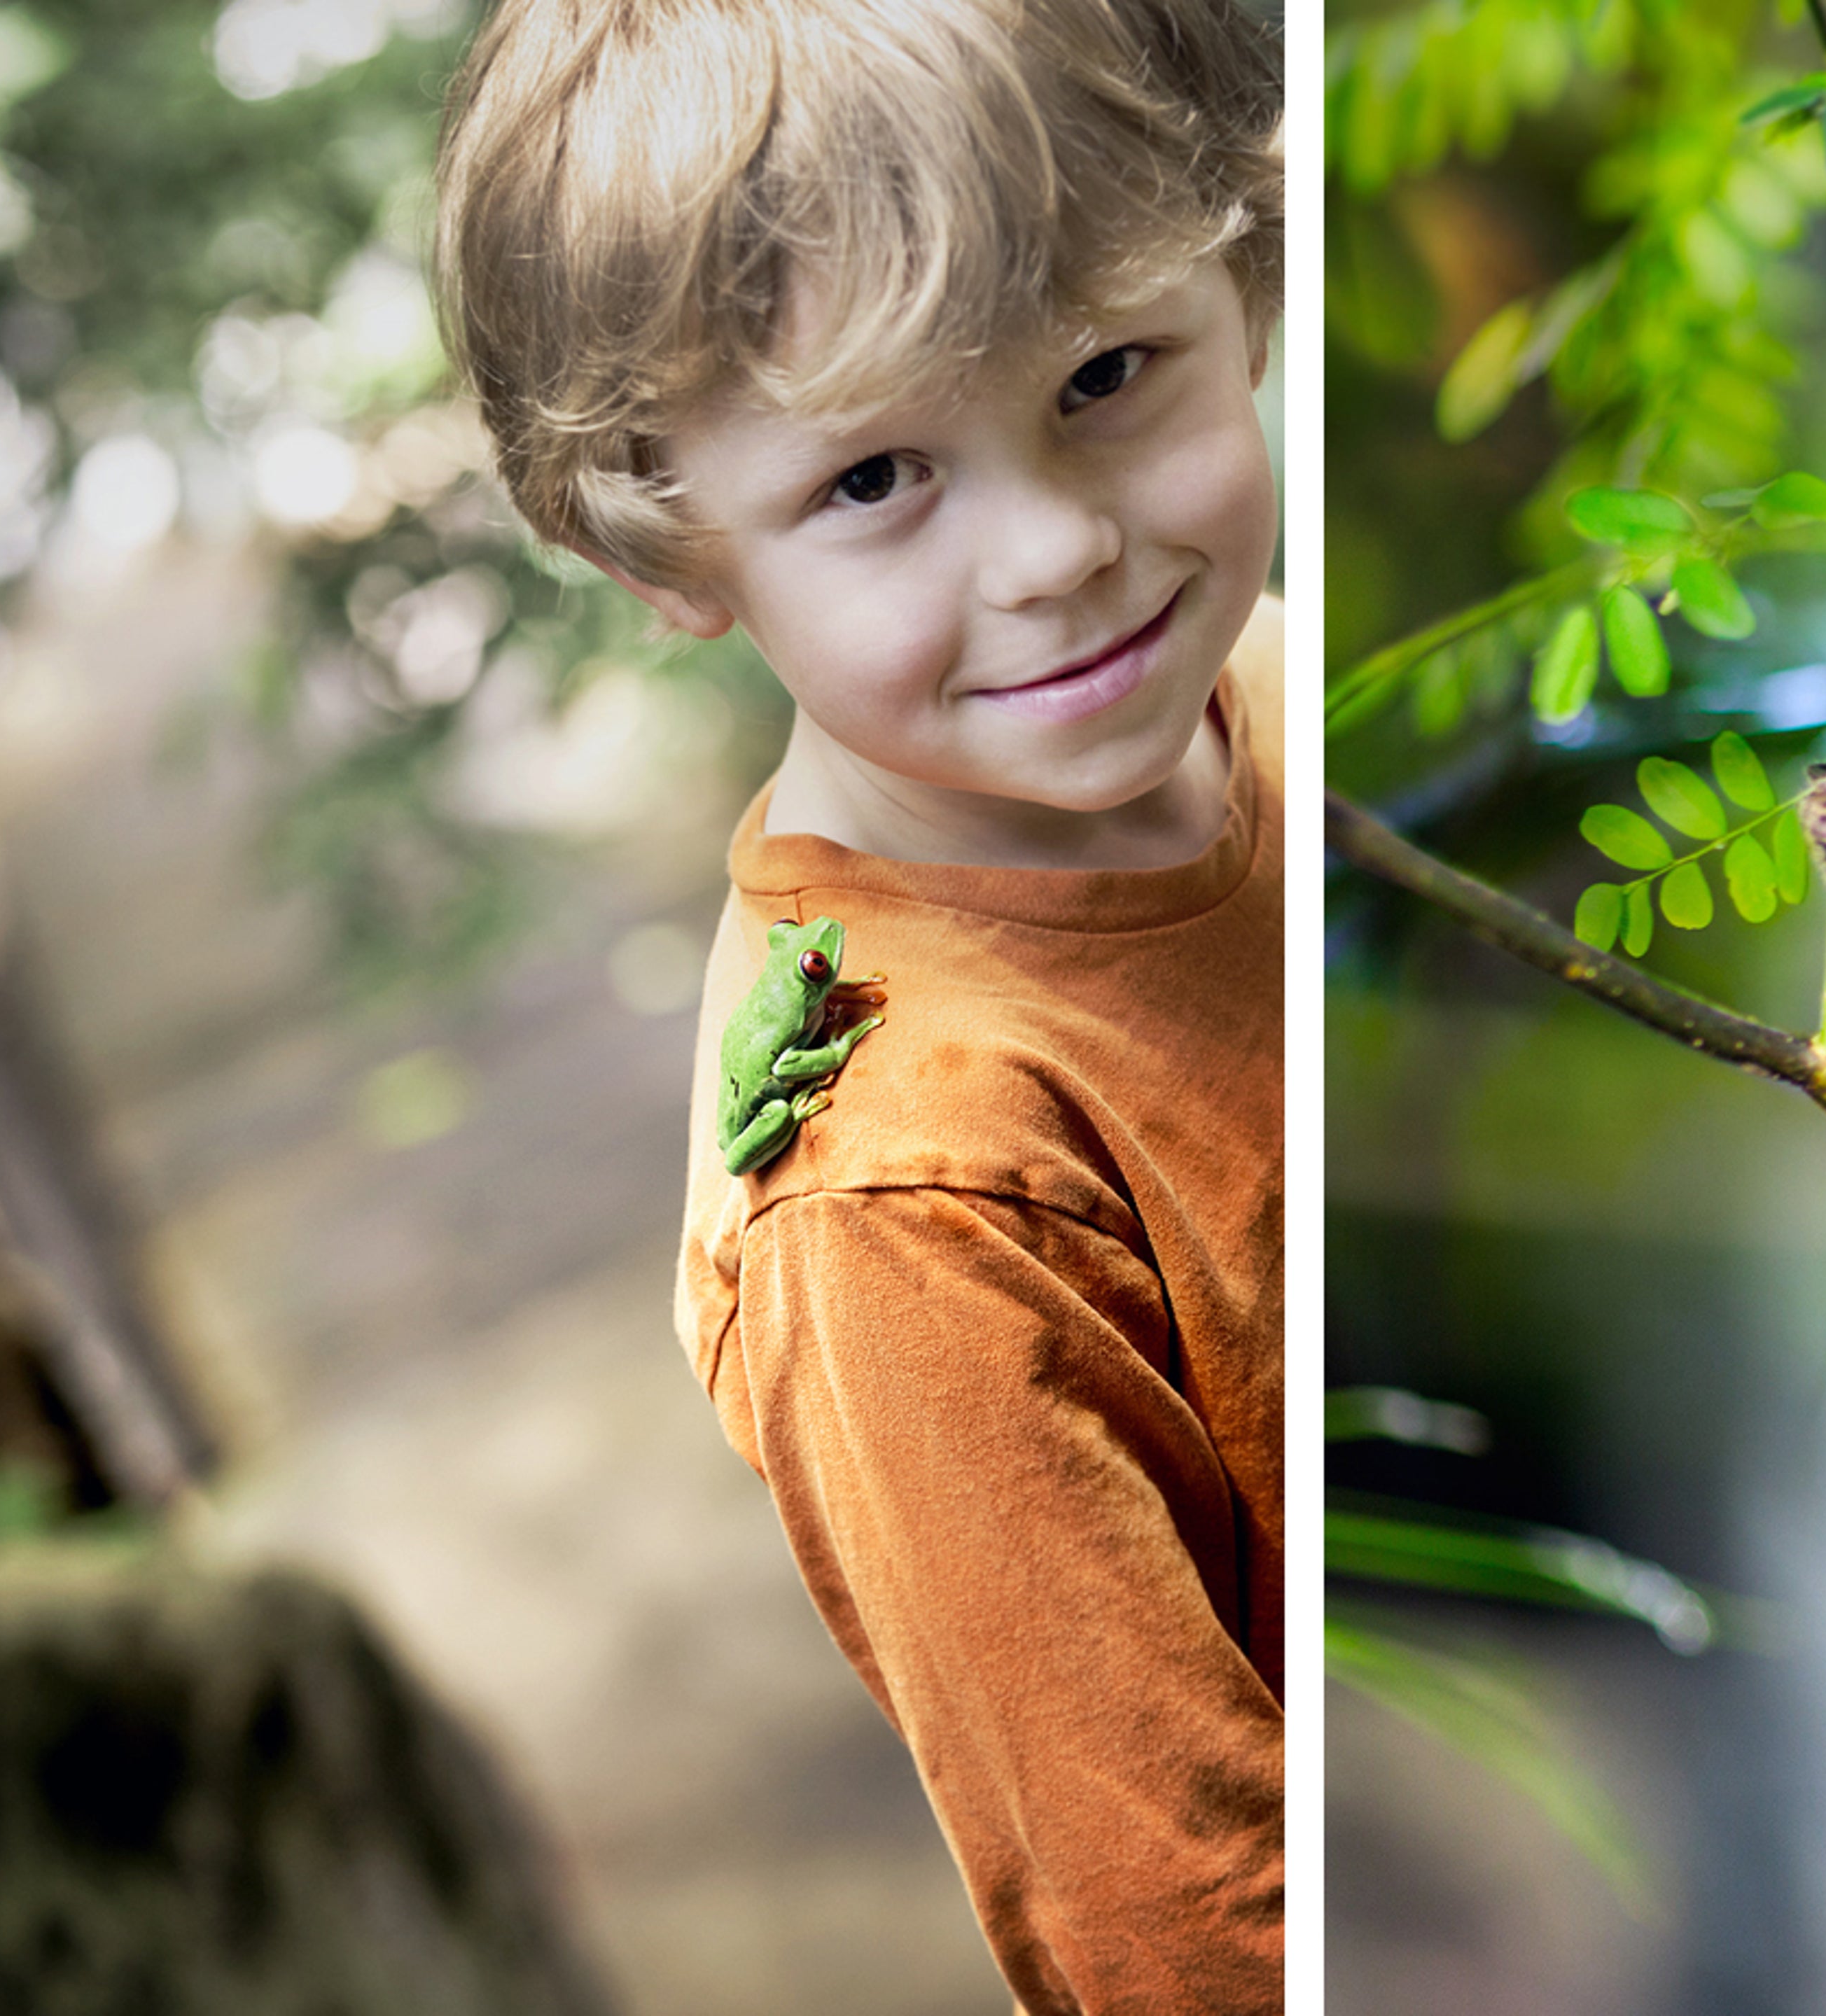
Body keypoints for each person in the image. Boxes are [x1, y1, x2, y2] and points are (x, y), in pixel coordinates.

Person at [431, 3, 1285, 2009]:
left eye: (1104, 371)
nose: (1064, 548)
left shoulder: (1252, 694)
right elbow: (1179, 1938)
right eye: (880, 474)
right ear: (664, 538)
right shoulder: (903, 1211)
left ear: (1242, 280)